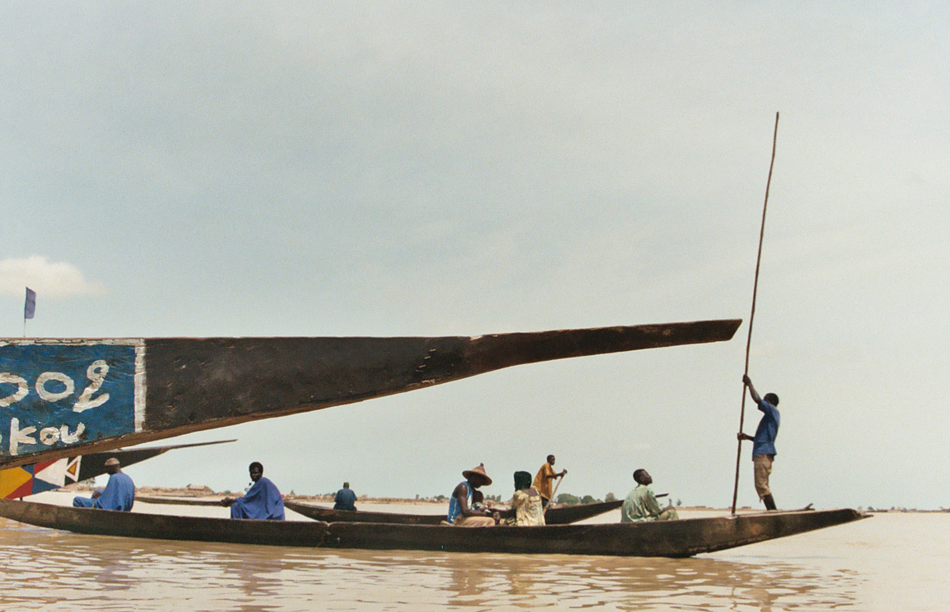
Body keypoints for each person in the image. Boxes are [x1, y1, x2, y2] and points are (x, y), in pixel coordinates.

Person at [738, 374, 781, 510]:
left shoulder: (772, 411)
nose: (763, 402)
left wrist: (749, 384)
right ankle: (772, 512)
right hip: (763, 451)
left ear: (771, 402)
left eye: (766, 400)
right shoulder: (769, 418)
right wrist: (747, 437)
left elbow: (757, 399)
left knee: (761, 485)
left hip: (763, 453)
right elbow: (762, 439)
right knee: (762, 485)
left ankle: (773, 512)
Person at [221, 462, 285, 520]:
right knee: (236, 506)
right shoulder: (260, 483)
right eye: (251, 473)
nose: (253, 475)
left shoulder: (262, 482)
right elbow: (252, 501)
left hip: (274, 515)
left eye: (255, 473)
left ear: (261, 473)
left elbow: (247, 500)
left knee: (236, 506)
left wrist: (232, 500)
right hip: (273, 513)